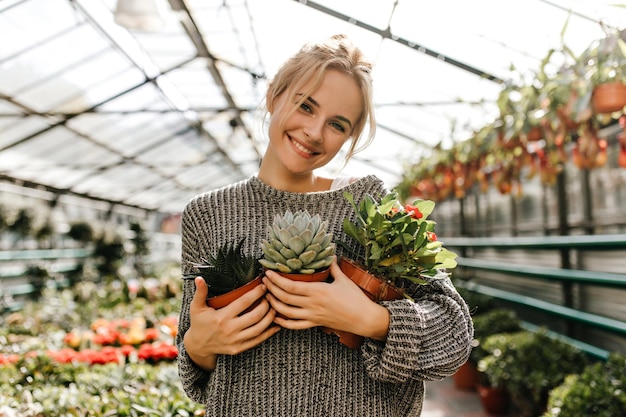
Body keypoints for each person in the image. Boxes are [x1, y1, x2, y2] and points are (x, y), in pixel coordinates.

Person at [176, 34, 473, 417]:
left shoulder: (368, 205)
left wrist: (372, 320)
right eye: (305, 106)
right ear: (274, 96)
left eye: (337, 124)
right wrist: (200, 346)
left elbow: (454, 333)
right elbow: (193, 369)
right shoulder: (207, 214)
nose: (315, 133)